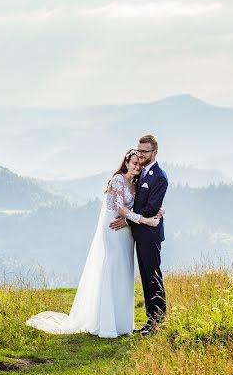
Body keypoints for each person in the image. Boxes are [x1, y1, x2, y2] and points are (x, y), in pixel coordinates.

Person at [26, 149, 161, 338]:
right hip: (113, 230)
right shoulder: (117, 180)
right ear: (126, 163)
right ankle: (106, 322)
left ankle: (122, 324)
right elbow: (120, 209)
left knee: (124, 272)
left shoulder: (135, 183)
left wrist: (158, 211)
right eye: (134, 163)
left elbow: (141, 205)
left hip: (127, 233)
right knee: (112, 270)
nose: (137, 166)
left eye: (139, 164)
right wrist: (145, 221)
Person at [110, 134, 168, 334]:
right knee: (145, 277)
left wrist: (127, 219)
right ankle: (151, 322)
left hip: (150, 234)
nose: (141, 154)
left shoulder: (159, 176)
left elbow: (151, 207)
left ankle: (157, 322)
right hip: (140, 233)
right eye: (139, 150)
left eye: (145, 151)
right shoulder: (142, 172)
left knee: (153, 277)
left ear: (155, 152)